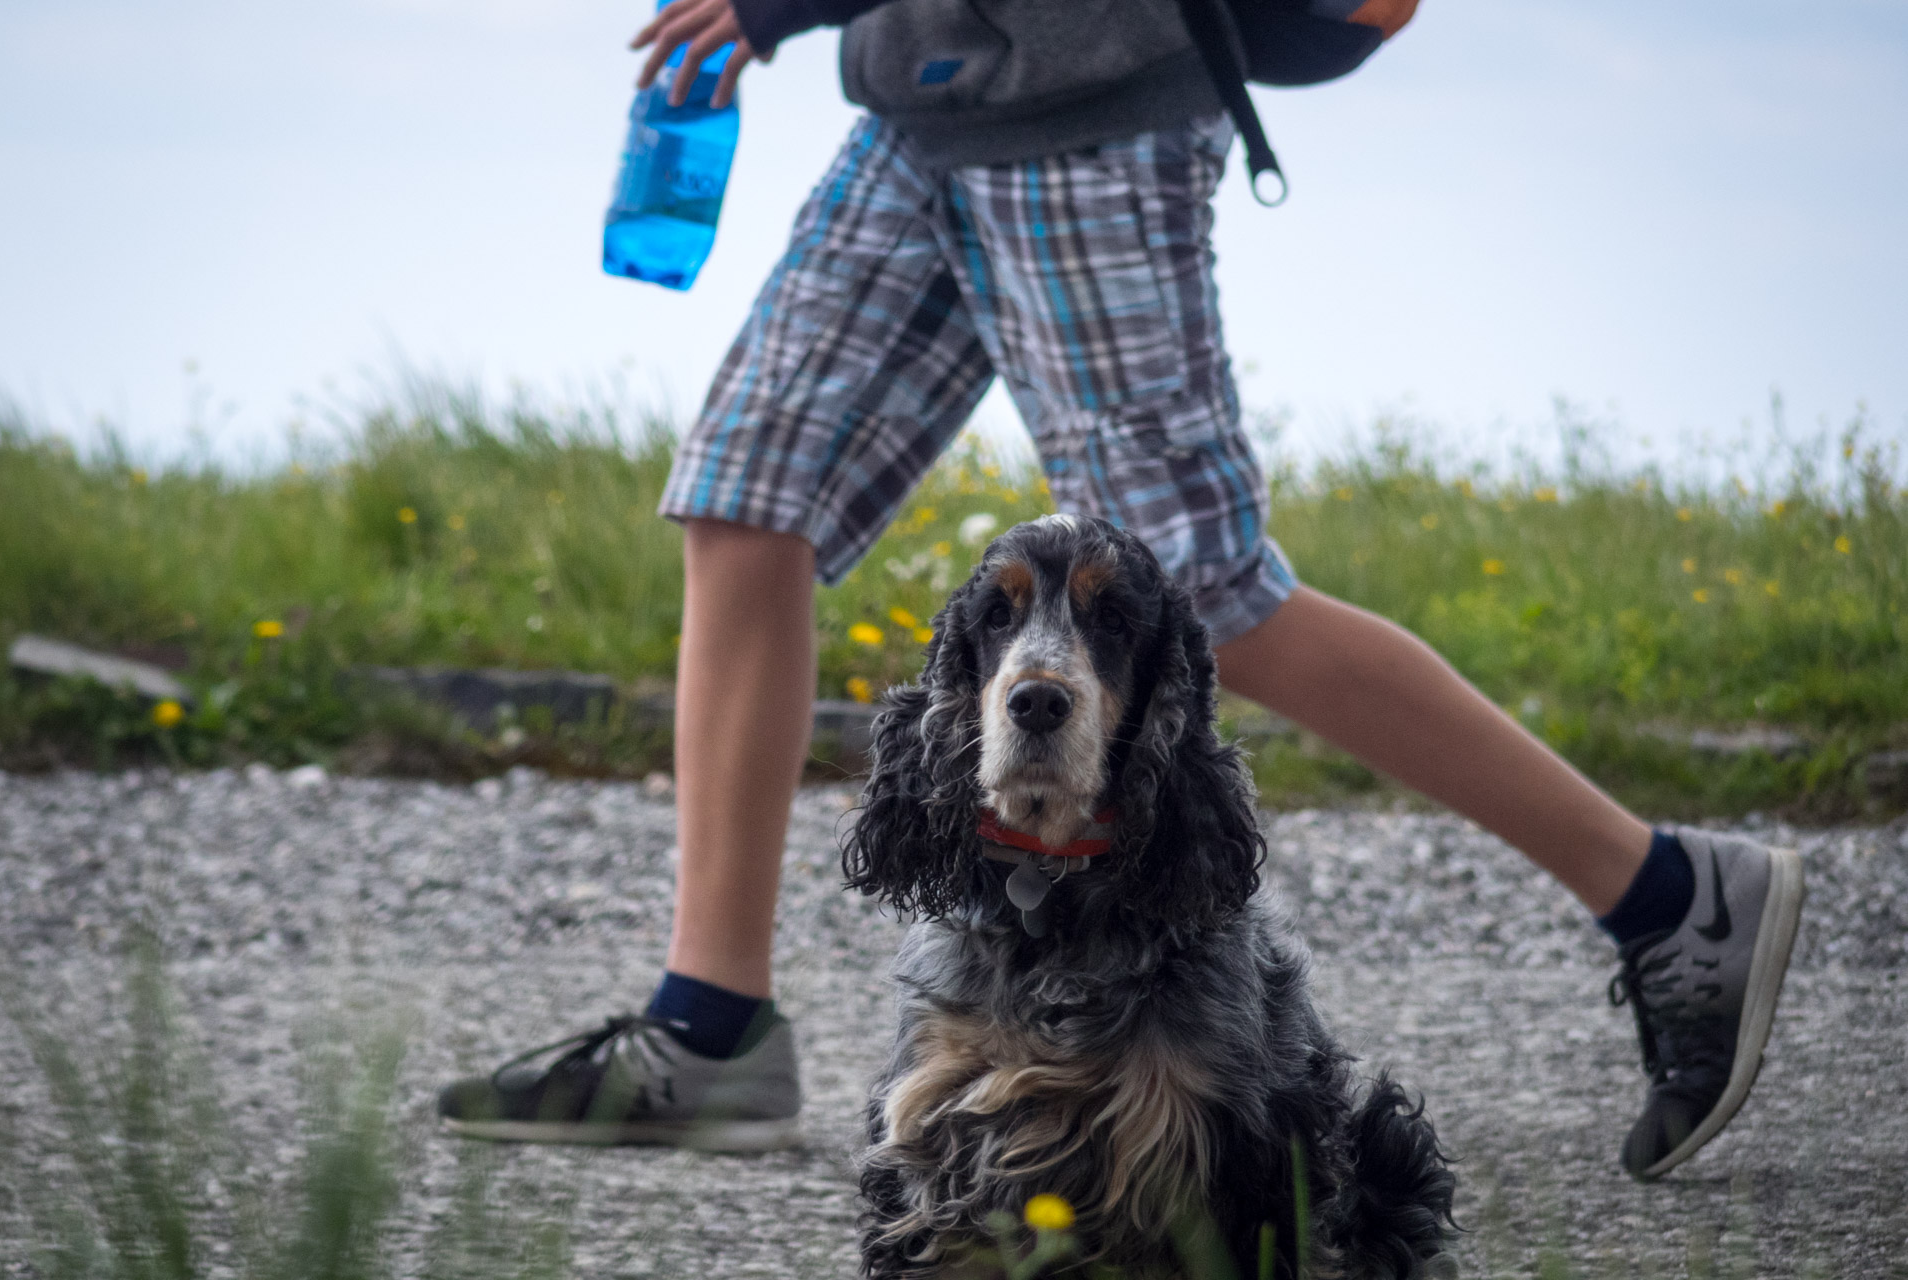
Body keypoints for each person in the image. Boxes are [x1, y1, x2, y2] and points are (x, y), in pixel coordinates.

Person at [438, 0, 1805, 1181]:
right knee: (746, 498)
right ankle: (707, 1025)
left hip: (1089, 115)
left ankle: (1664, 892)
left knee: (1194, 590)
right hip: (923, 103)